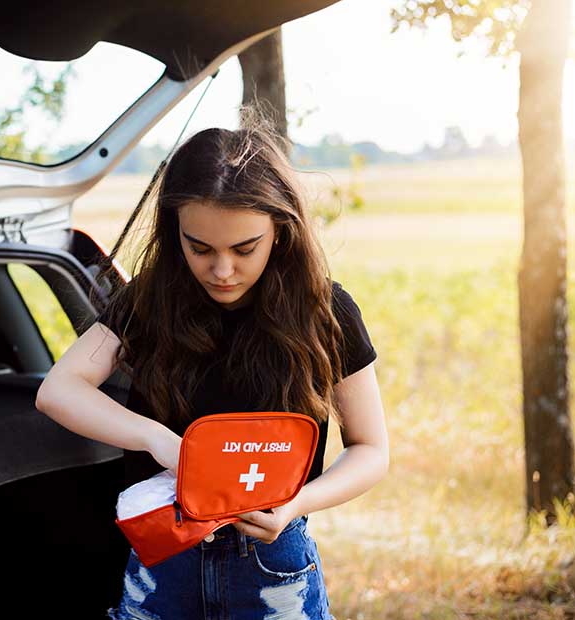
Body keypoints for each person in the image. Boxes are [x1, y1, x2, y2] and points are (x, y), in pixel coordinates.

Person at [34, 106, 388, 620]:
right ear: (174, 231)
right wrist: (157, 439)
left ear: (281, 230)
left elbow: (371, 449)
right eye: (199, 248)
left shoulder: (325, 311)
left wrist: (295, 505)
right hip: (163, 556)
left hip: (272, 565)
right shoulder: (149, 303)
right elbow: (58, 390)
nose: (222, 271)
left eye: (245, 248)